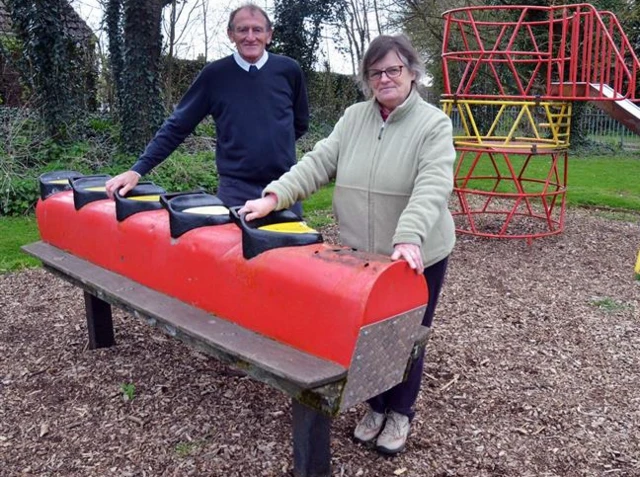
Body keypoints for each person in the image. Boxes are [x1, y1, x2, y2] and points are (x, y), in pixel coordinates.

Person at [239, 34, 456, 455]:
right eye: (376, 72)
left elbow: (433, 185)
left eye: (394, 69)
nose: (385, 78)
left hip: (416, 253)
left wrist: (409, 235)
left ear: (412, 72)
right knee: (370, 333)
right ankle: (376, 406)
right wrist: (273, 197)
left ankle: (400, 413)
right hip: (362, 254)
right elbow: (318, 162)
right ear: (367, 79)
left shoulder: (433, 123)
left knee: (405, 336)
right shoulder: (354, 117)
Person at [105, 3, 308, 216]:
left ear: (269, 35)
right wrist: (137, 170)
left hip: (284, 188)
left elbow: (300, 123)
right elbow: (177, 126)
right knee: (233, 248)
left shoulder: (289, 70)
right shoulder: (214, 76)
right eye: (242, 30)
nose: (250, 37)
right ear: (231, 34)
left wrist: (271, 143)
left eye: (257, 29)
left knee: (290, 248)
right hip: (235, 191)